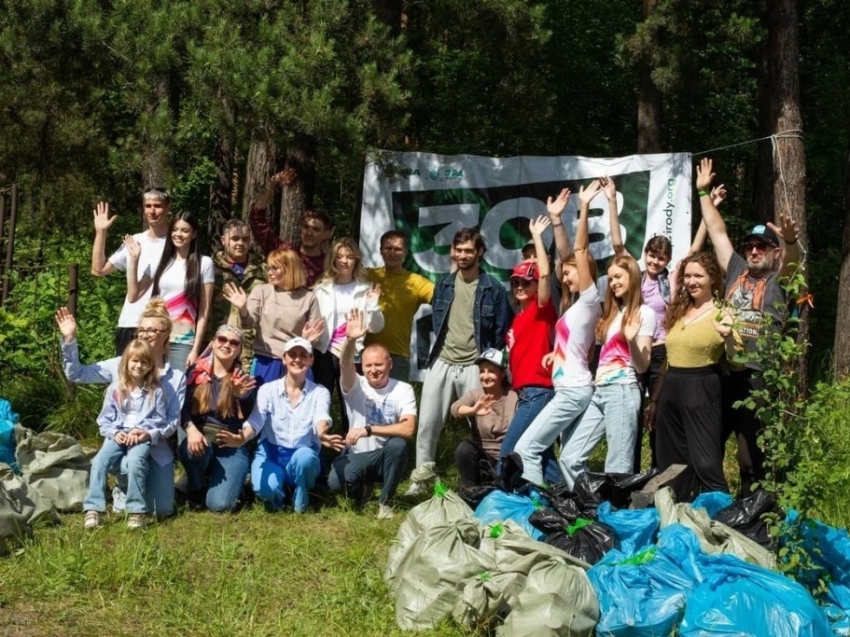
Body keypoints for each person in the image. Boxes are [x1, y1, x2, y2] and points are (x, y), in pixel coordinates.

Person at [695, 157, 799, 496]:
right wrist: (703, 192)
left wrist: (791, 244)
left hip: (758, 376)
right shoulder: (736, 267)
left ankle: (754, 506)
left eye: (762, 246)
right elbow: (717, 230)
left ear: (773, 253)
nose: (753, 251)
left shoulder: (779, 281)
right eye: (751, 246)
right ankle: (714, 502)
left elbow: (793, 264)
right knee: (709, 444)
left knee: (751, 451)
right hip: (724, 372)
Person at [603, 174, 717, 470]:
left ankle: (658, 470)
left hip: (662, 352)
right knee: (631, 412)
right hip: (635, 346)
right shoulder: (635, 277)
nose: (655, 262)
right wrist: (612, 199)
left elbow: (693, 250)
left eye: (661, 258)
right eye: (652, 256)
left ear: (667, 260)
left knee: (658, 412)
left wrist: (709, 210)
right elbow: (617, 244)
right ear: (645, 255)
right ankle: (629, 470)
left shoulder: (673, 280)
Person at [56, 299, 186, 519]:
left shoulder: (176, 378)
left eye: (151, 330)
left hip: (154, 446)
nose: (144, 335)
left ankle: (136, 487)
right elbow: (76, 374)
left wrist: (148, 434)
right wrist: (69, 339)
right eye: (141, 330)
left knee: (162, 509)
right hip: (120, 442)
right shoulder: (120, 364)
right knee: (127, 465)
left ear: (165, 333)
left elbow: (173, 422)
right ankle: (122, 486)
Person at [406, 227, 512, 495]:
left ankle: (482, 480)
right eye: (459, 250)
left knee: (481, 425)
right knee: (428, 424)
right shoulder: (443, 284)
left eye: (468, 250)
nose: (463, 255)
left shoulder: (494, 289)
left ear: (480, 253)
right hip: (442, 361)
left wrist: (490, 367)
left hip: (475, 365)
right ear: (453, 252)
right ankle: (422, 479)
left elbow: (500, 333)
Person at [514, 181, 603, 488]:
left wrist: (583, 207)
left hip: (573, 390)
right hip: (568, 386)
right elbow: (565, 257)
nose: (565, 277)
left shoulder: (591, 299)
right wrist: (558, 352)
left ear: (586, 270)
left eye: (570, 272)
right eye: (563, 274)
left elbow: (576, 250)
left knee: (528, 449)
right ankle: (581, 512)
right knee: (569, 460)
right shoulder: (572, 306)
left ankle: (539, 510)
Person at [648, 252, 742, 498]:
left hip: (701, 388)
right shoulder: (679, 311)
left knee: (705, 461)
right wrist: (655, 400)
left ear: (712, 278)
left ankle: (721, 514)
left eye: (698, 275)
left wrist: (729, 336)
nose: (692, 281)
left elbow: (737, 358)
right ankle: (677, 510)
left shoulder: (722, 312)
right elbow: (668, 359)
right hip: (671, 388)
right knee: (670, 461)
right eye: (688, 276)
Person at [559, 254, 655, 480]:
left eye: (618, 277)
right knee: (569, 457)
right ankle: (588, 505)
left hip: (623, 389)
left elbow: (642, 367)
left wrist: (631, 339)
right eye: (610, 279)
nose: (613, 283)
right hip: (600, 389)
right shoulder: (612, 315)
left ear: (632, 277)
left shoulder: (644, 313)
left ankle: (614, 512)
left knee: (618, 466)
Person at [329, 309, 417, 519]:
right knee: (334, 483)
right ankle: (363, 488)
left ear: (390, 364)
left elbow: (408, 429)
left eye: (379, 364)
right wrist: (350, 340)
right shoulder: (355, 385)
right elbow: (345, 363)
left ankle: (385, 502)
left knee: (398, 444)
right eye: (368, 365)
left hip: (385, 457)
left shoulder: (403, 389)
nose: (374, 370)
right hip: (357, 455)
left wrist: (369, 430)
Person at [244, 337, 341, 512]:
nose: (297, 359)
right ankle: (278, 494)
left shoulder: (320, 392)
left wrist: (322, 433)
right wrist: (242, 436)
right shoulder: (267, 389)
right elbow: (256, 420)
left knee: (306, 458)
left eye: (304, 355)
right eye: (292, 354)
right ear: (284, 359)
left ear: (311, 360)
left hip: (301, 455)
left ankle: (301, 489)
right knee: (263, 490)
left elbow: (321, 416)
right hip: (271, 453)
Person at [79, 339, 167, 529]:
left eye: (144, 362)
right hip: (118, 433)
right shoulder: (115, 388)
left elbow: (160, 420)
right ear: (126, 362)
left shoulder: (156, 391)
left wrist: (143, 431)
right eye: (135, 361)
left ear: (151, 365)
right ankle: (93, 508)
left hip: (140, 436)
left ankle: (136, 510)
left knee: (136, 461)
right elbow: (104, 420)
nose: (139, 366)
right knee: (99, 461)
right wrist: (114, 433)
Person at [498, 213, 558, 482]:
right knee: (542, 456)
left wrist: (536, 237)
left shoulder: (541, 309)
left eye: (526, 282)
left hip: (538, 391)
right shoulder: (518, 315)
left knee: (509, 452)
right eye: (516, 282)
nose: (520, 286)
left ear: (536, 286)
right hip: (524, 392)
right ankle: (571, 497)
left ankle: (498, 501)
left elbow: (545, 273)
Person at [179, 325, 258, 512]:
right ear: (213, 343)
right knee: (191, 451)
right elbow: (180, 407)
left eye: (233, 342)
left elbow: (250, 419)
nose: (226, 345)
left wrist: (240, 396)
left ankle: (234, 481)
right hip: (201, 438)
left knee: (221, 505)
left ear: (239, 349)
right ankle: (197, 486)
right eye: (222, 339)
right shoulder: (194, 372)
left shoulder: (243, 379)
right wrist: (190, 429)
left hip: (230, 444)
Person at [125, 211, 215, 372]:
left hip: (182, 340)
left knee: (177, 388)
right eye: (175, 229)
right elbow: (133, 295)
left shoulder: (204, 263)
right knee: (150, 386)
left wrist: (195, 349)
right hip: (153, 337)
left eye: (185, 230)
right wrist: (134, 260)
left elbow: (204, 311)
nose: (178, 234)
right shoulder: (160, 261)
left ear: (194, 234)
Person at [222, 248, 324, 386]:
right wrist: (243, 309)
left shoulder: (309, 298)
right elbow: (249, 323)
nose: (269, 273)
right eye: (269, 268)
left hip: (296, 360)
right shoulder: (262, 291)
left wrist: (306, 341)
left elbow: (314, 337)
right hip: (266, 361)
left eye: (275, 268)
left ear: (290, 269)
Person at [312, 238, 384, 428]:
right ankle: (320, 447)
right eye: (340, 256)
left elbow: (376, 327)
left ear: (356, 260)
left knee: (351, 406)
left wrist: (373, 305)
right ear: (333, 260)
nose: (344, 261)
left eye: (350, 257)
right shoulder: (321, 288)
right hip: (324, 354)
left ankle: (352, 450)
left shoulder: (365, 288)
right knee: (321, 402)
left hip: (353, 353)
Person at [89, 188, 170, 355]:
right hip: (130, 322)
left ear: (168, 207)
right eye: (148, 206)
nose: (152, 211)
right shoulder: (136, 240)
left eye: (157, 206)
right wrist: (101, 232)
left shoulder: (176, 242)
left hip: (161, 325)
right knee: (125, 379)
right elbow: (98, 270)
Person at [365, 230, 435, 381]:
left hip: (397, 357)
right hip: (366, 355)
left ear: (405, 252)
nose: (392, 253)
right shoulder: (366, 276)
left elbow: (442, 298)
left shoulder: (416, 282)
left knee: (395, 404)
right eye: (388, 248)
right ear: (381, 251)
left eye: (397, 249)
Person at [249, 169, 333, 288]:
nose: (309, 232)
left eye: (316, 229)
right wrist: (272, 183)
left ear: (326, 234)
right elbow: (256, 219)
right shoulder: (285, 252)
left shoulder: (328, 264)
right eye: (306, 227)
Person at [451, 348, 518, 488]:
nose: (485, 376)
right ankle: (471, 492)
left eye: (491, 371)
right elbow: (455, 408)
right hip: (483, 457)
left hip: (509, 457)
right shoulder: (475, 395)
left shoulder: (513, 396)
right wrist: (472, 410)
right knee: (464, 449)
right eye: (482, 371)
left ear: (502, 374)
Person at [209, 219, 267, 367]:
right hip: (218, 345)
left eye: (245, 239)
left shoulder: (263, 270)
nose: (240, 243)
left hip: (253, 349)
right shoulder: (210, 268)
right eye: (235, 238)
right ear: (223, 240)